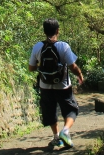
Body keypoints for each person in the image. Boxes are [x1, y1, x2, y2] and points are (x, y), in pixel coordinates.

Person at [29, 18, 83, 148]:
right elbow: (72, 66)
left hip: (45, 85)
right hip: (63, 85)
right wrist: (80, 75)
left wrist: (42, 67)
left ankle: (56, 137)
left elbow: (31, 68)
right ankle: (65, 131)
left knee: (50, 110)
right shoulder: (63, 46)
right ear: (58, 30)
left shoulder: (37, 47)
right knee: (71, 109)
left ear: (44, 31)